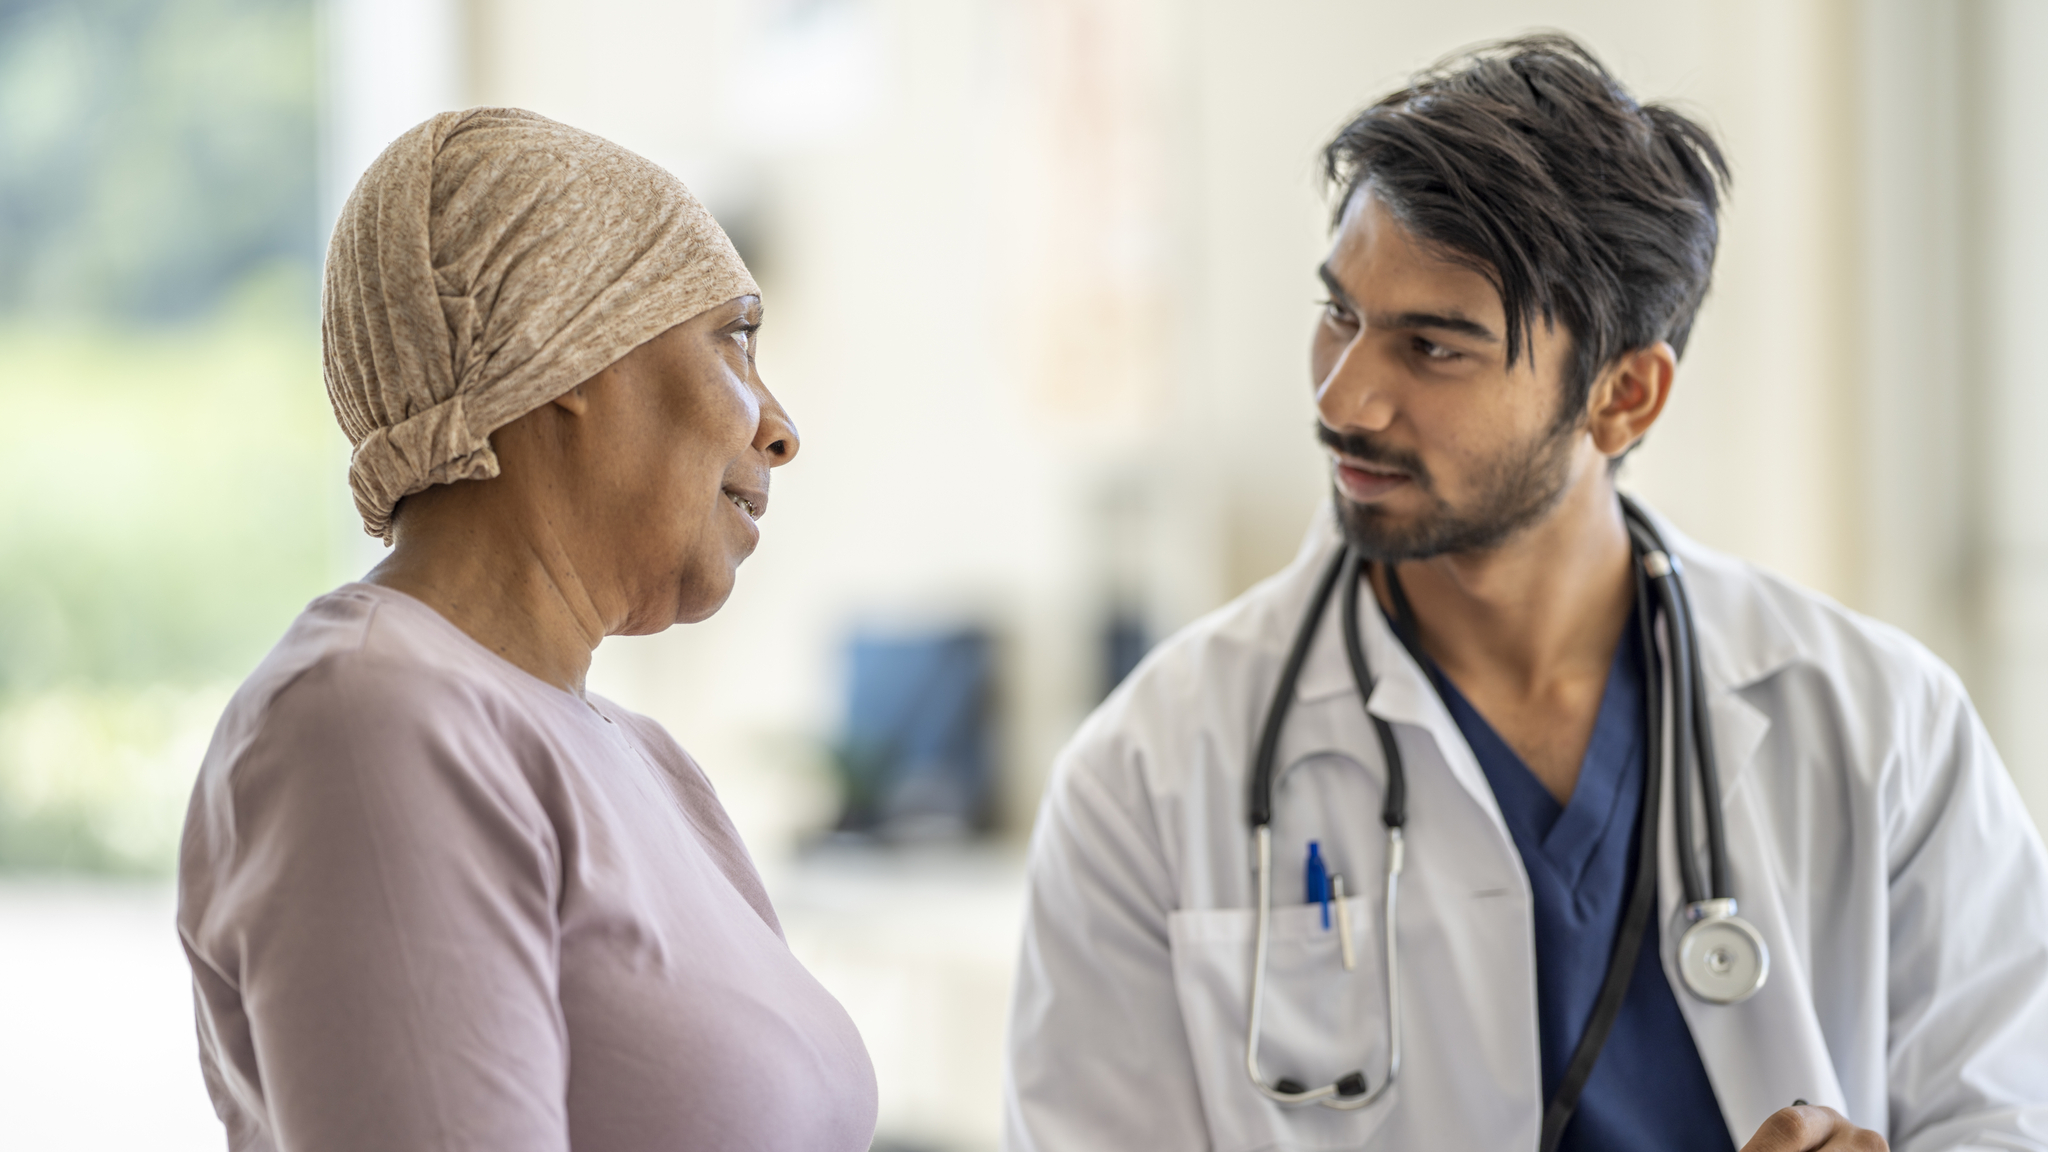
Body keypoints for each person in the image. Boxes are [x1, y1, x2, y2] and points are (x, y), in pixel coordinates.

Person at [1002, 35, 2048, 1152]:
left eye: (1432, 347)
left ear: (1622, 396)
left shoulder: (1881, 724)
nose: (1347, 397)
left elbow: (2006, 1106)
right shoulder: (1147, 772)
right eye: (1340, 315)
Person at [177, 109, 876, 1152]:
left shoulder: (641, 760)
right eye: (732, 339)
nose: (776, 427)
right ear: (565, 354)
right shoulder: (372, 719)